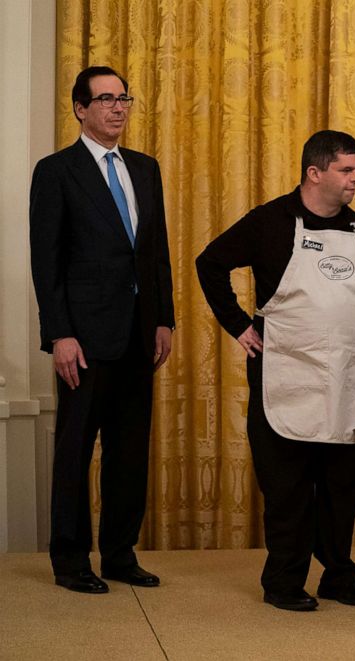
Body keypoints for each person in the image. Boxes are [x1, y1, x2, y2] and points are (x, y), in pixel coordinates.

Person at [196, 130, 355, 611]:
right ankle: (284, 581)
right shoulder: (270, 222)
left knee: (342, 487)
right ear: (315, 173)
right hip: (287, 374)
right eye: (346, 170)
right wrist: (239, 326)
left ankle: (338, 576)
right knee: (287, 488)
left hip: (351, 376)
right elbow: (210, 263)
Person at [29, 66, 175, 593]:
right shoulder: (56, 171)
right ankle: (70, 562)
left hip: (138, 335)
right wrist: (59, 334)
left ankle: (119, 554)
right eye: (106, 99)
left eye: (124, 98)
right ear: (80, 108)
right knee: (74, 451)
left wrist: (164, 318)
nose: (118, 108)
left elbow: (155, 251)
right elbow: (46, 262)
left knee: (129, 450)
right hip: (84, 339)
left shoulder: (145, 168)